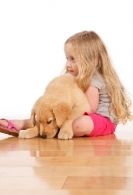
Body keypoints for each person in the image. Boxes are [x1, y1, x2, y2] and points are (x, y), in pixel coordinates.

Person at [0, 31, 133, 137]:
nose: (68, 64)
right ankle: (24, 124)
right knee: (49, 116)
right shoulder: (74, 78)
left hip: (101, 121)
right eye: (67, 58)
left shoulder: (94, 80)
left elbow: (89, 109)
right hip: (84, 117)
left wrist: (65, 115)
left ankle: (49, 129)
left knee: (78, 124)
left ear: (89, 60)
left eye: (73, 59)